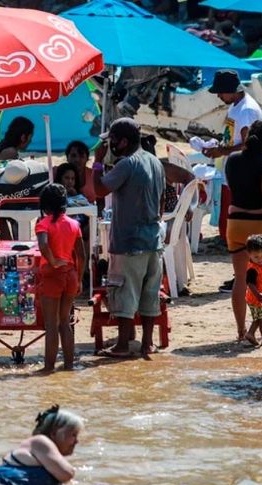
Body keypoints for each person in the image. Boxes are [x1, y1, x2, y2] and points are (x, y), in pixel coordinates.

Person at [92, 118, 165, 358]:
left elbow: (99, 191)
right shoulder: (155, 162)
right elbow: (163, 201)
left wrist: (97, 163)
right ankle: (147, 343)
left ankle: (123, 344)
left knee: (124, 295)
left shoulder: (126, 164)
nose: (110, 145)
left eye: (112, 141)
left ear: (123, 142)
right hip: (154, 240)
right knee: (149, 295)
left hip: (129, 242)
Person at [205, 69, 262, 294]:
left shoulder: (247, 110)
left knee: (242, 229)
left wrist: (222, 151)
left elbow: (248, 143)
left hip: (246, 176)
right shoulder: (235, 107)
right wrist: (219, 146)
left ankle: (247, 276)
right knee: (235, 229)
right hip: (234, 172)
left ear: (231, 91)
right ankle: (241, 275)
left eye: (221, 92)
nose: (219, 96)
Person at [223, 120, 262, 342]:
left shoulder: (232, 161)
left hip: (235, 224)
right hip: (259, 225)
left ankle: (240, 331)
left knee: (240, 278)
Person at [36, 184, 84, 372]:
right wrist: (79, 279)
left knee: (51, 324)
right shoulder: (74, 224)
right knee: (65, 322)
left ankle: (48, 367)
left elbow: (43, 245)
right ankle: (69, 365)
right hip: (71, 274)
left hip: (52, 274)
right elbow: (81, 255)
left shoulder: (43, 224)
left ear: (45, 205)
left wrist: (53, 261)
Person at [244, 234, 262, 346]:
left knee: (259, 317)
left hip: (261, 297)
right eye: (256, 257)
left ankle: (250, 333)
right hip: (257, 298)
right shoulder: (252, 269)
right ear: (249, 254)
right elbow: (250, 283)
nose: (260, 259)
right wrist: (257, 294)